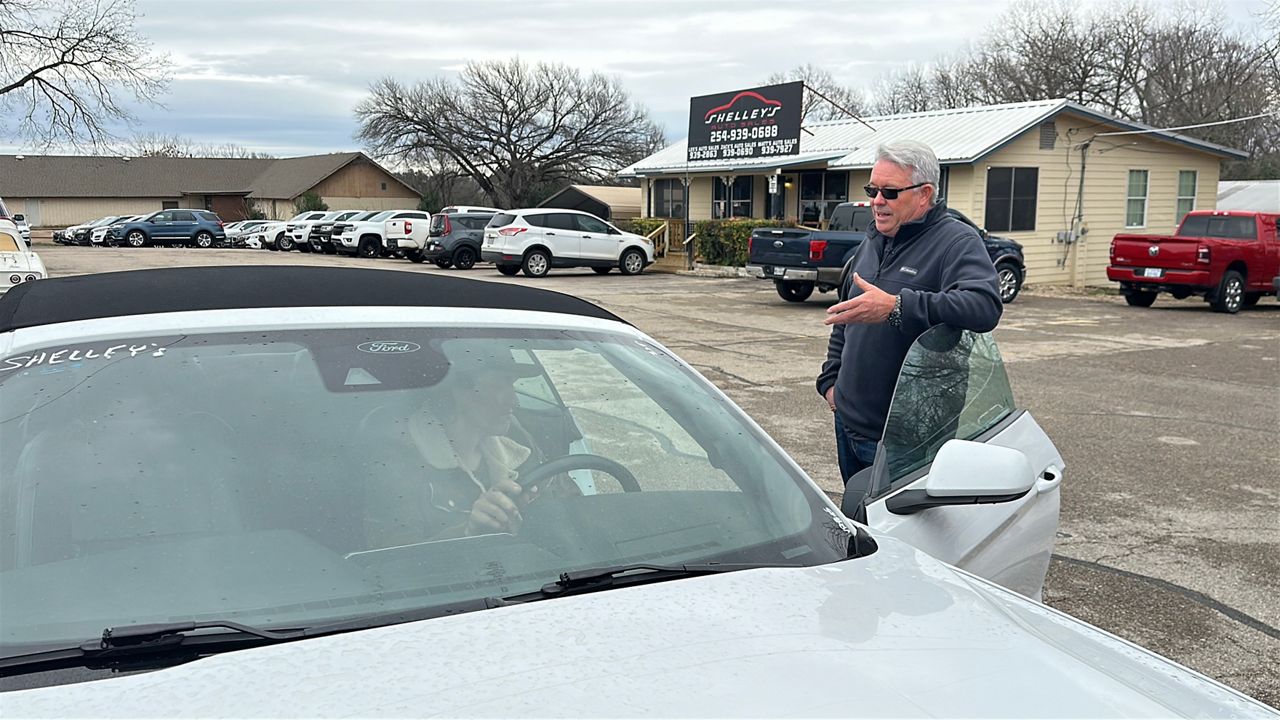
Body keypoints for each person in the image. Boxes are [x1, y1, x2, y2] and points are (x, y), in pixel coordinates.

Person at [816, 140, 1002, 487]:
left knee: (899, 536)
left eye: (889, 191)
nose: (877, 201)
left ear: (924, 193)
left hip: (909, 438)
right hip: (849, 423)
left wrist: (898, 306)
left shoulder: (956, 242)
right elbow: (846, 317)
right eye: (873, 189)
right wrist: (831, 382)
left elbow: (984, 306)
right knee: (862, 528)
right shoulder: (871, 242)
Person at [364, 347, 568, 548]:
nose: (514, 400)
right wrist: (467, 532)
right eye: (500, 386)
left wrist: (534, 507)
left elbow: (567, 505)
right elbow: (391, 554)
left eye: (512, 385)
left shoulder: (517, 436)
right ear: (459, 390)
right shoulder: (394, 458)